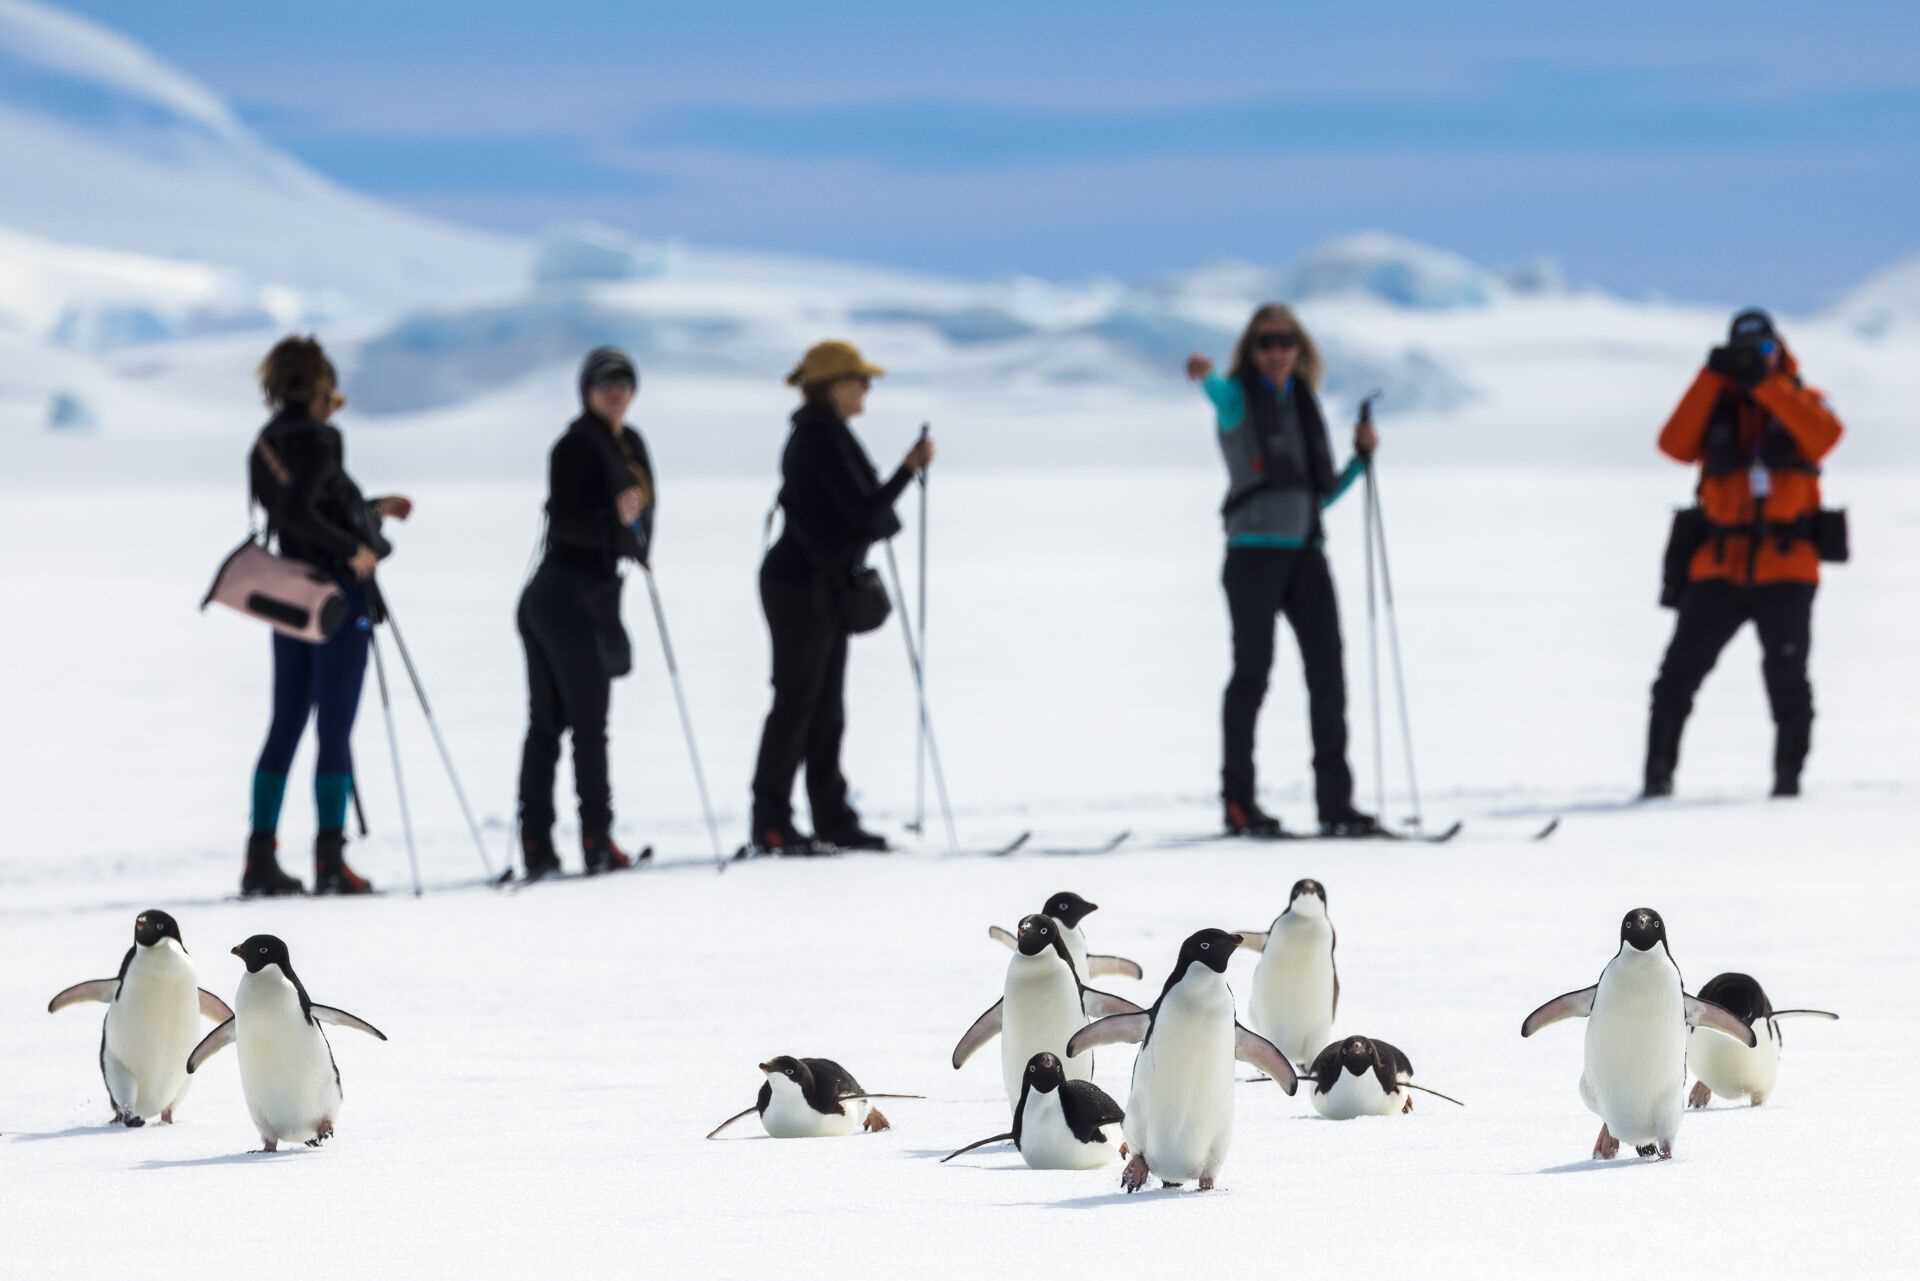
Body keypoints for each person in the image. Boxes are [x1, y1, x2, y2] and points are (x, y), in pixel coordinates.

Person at [1186, 304, 1379, 838]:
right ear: (1251, 350)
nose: (1276, 352)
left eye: (1285, 342)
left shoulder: (1304, 405)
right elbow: (1216, 391)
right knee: (1252, 674)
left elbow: (1316, 496)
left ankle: (1336, 804)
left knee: (1328, 678)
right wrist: (1204, 375)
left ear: (1300, 349)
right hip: (1252, 555)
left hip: (1305, 553)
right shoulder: (1236, 399)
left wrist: (1360, 462)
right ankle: (1239, 803)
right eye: (1266, 343)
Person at [1643, 309, 1844, 799]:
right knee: (1676, 678)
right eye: (1746, 353)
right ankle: (1657, 778)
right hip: (1718, 565)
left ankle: (1787, 782)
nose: (1754, 360)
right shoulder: (1714, 403)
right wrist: (1711, 377)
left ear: (1780, 351)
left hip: (1787, 566)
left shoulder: (1803, 400)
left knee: (1787, 681)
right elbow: (1672, 445)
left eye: (1765, 351)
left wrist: (1768, 384)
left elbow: (1825, 437)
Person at [747, 341, 936, 855]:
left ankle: (827, 816)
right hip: (799, 589)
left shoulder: (825, 436)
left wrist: (903, 472)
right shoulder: (816, 440)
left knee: (823, 708)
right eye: (860, 380)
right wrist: (907, 470)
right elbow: (863, 514)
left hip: (815, 587)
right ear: (833, 386)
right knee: (797, 705)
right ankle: (772, 821)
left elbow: (861, 513)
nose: (867, 390)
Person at [244, 336, 412, 896]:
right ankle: (330, 860)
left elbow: (295, 516)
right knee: (334, 725)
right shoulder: (321, 438)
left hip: (289, 597)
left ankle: (259, 856)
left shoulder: (265, 443)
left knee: (286, 721)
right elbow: (306, 513)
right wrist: (354, 551)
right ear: (318, 383)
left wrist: (371, 510)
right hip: (335, 598)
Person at [515, 347, 654, 880]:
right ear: (587, 391)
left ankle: (544, 846)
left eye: (624, 383)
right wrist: (616, 523)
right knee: (578, 727)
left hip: (581, 596)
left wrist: (631, 535)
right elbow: (571, 523)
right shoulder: (575, 445)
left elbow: (638, 513)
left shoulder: (627, 443)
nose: (616, 393)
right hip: (564, 599)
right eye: (605, 384)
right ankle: (592, 842)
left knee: (553, 726)